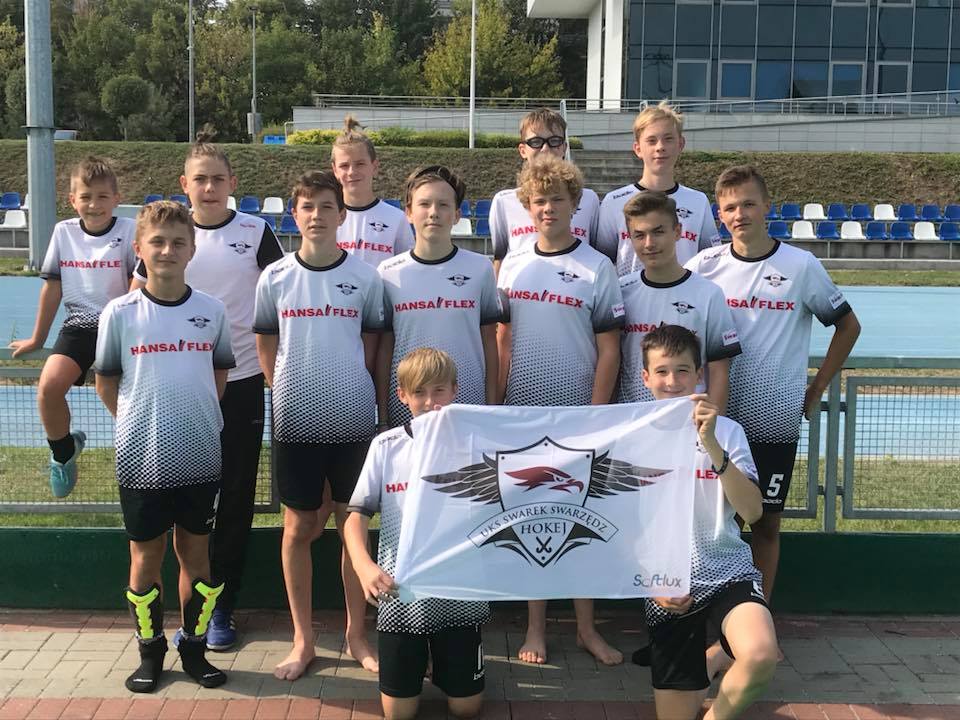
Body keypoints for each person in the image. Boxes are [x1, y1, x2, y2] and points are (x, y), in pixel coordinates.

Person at [131, 130, 285, 650]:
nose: (210, 188)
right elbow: (137, 298)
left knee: (235, 499)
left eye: (219, 179)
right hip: (178, 391)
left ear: (232, 182)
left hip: (240, 385)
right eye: (201, 179)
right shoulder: (171, 232)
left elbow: (282, 295)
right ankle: (171, 607)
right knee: (178, 502)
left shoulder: (257, 231)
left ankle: (222, 607)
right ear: (185, 183)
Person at [685, 165, 860, 601]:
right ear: (719, 215)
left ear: (767, 206)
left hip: (773, 421)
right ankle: (707, 615)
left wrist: (816, 389)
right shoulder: (704, 266)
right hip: (716, 422)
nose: (739, 214)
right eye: (729, 207)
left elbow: (848, 326)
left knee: (764, 523)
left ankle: (759, 612)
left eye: (748, 204)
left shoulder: (800, 266)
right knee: (710, 522)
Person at [93, 200, 234, 693]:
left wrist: (191, 421)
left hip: (200, 456)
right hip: (141, 458)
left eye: (178, 242)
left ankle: (193, 649)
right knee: (145, 557)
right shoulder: (120, 313)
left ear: (192, 249)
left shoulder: (212, 311)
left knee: (196, 555)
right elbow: (107, 383)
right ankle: (149, 653)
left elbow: (218, 378)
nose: (167, 250)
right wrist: (138, 424)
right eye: (157, 242)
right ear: (139, 248)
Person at [254, 170, 385, 680]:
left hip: (354, 422)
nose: (316, 216)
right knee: (298, 528)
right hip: (295, 422)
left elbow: (371, 349)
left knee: (353, 527)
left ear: (341, 214)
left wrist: (357, 395)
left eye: (326, 206)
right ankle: (303, 639)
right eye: (307, 207)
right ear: (294, 214)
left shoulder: (366, 278)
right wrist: (286, 389)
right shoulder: (275, 277)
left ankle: (356, 635)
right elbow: (267, 344)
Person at [496, 154, 624, 666]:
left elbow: (610, 349)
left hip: (578, 415)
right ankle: (535, 629)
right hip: (523, 413)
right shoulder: (513, 263)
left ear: (575, 205)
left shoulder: (597, 267)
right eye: (538, 200)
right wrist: (498, 403)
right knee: (533, 521)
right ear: (527, 207)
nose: (547, 208)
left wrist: (595, 414)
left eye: (557, 199)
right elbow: (503, 340)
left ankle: (587, 630)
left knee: (581, 523)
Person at [640, 324, 778, 720]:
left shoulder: (729, 432)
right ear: (645, 377)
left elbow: (752, 512)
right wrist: (651, 584)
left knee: (761, 654)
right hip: (669, 585)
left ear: (699, 374)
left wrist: (712, 445)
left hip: (728, 573)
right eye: (662, 371)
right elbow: (623, 527)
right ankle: (713, 659)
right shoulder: (632, 436)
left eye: (683, 370)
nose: (672, 381)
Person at [345, 348, 489, 720]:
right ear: (402, 395)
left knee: (466, 709)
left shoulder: (478, 445)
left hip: (459, 593)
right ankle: (419, 661)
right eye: (419, 392)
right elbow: (355, 518)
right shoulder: (386, 446)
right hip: (401, 596)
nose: (429, 402)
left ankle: (444, 664)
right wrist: (363, 565)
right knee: (399, 714)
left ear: (455, 390)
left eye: (439, 390)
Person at [10, 156, 136, 497]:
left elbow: (136, 283)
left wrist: (131, 328)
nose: (94, 204)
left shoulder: (128, 231)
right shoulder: (64, 232)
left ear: (116, 198)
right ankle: (64, 454)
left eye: (102, 196)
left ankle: (142, 450)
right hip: (80, 325)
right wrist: (37, 338)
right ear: (72, 200)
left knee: (124, 398)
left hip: (120, 326)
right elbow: (52, 288)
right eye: (86, 197)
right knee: (48, 388)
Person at [377, 165, 500, 428]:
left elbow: (490, 342)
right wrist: (384, 417)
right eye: (424, 204)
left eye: (443, 205)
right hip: (407, 411)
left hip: (468, 409)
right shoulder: (388, 272)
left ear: (457, 215)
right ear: (409, 213)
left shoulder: (480, 268)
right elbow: (385, 347)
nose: (433, 212)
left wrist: (491, 409)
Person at [617, 191, 741, 410]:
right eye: (639, 235)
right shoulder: (620, 291)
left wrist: (714, 425)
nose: (649, 243)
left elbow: (719, 373)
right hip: (633, 422)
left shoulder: (709, 294)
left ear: (677, 231)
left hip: (688, 422)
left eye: (658, 232)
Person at [596, 102, 718, 275]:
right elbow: (603, 263)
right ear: (638, 149)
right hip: (630, 292)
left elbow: (710, 261)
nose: (660, 147)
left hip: (685, 291)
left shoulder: (698, 201)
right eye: (651, 141)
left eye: (668, 139)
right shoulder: (614, 201)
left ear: (680, 144)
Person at [489, 108, 599, 274]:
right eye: (536, 142)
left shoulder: (589, 199)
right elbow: (500, 258)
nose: (546, 149)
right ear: (523, 150)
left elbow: (596, 253)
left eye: (554, 141)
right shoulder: (503, 201)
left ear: (564, 148)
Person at [331, 115, 414, 267]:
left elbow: (408, 270)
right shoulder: (326, 218)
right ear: (335, 170)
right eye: (344, 166)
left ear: (374, 167)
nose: (352, 172)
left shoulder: (396, 218)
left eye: (360, 164)